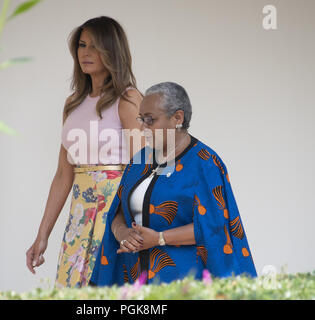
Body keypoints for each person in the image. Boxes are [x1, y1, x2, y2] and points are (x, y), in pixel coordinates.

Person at [89, 82, 257, 286]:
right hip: (134, 280)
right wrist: (121, 232)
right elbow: (118, 211)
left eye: (150, 120)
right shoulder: (139, 160)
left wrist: (160, 238)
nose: (143, 128)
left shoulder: (205, 163)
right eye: (141, 119)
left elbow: (213, 227)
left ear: (178, 118)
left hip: (184, 284)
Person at [25, 16, 144, 288]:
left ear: (112, 51)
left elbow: (142, 169)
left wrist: (127, 224)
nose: (85, 52)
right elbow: (62, 176)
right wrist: (42, 235)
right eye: (81, 45)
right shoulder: (72, 103)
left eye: (95, 46)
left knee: (110, 292)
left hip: (116, 214)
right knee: (73, 292)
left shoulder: (127, 98)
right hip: (79, 216)